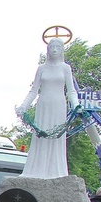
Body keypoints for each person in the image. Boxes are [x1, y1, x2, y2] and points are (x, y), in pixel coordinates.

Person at [16, 38, 79, 179]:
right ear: (48, 49)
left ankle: (55, 171)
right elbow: (33, 91)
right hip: (43, 105)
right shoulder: (42, 68)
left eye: (58, 47)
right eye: (52, 47)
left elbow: (71, 91)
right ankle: (36, 170)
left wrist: (76, 105)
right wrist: (23, 106)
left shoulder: (65, 68)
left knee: (56, 137)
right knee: (41, 136)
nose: (55, 49)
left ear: (62, 49)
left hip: (58, 106)